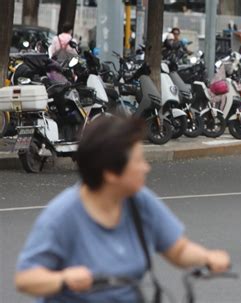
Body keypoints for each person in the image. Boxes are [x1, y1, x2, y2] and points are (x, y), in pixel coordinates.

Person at [15, 117, 230, 302]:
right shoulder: (63, 215)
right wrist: (62, 279)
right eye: (138, 161)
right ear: (111, 172)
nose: (146, 167)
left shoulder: (139, 200)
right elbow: (26, 279)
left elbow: (178, 250)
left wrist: (208, 257)